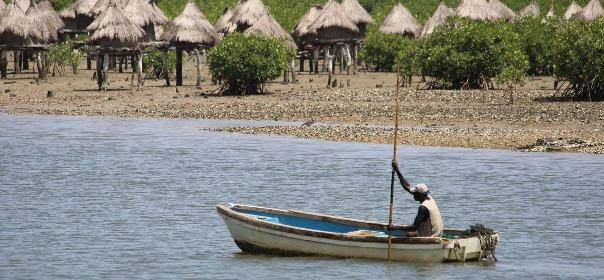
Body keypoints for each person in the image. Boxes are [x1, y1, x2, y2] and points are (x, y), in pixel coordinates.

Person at [391, 161, 443, 237]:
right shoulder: (429, 198)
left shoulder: (423, 208)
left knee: (408, 234)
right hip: (437, 234)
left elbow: (413, 228)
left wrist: (394, 227)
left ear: (420, 195)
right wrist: (397, 169)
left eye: (415, 193)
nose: (413, 194)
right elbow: (407, 186)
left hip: (432, 237)